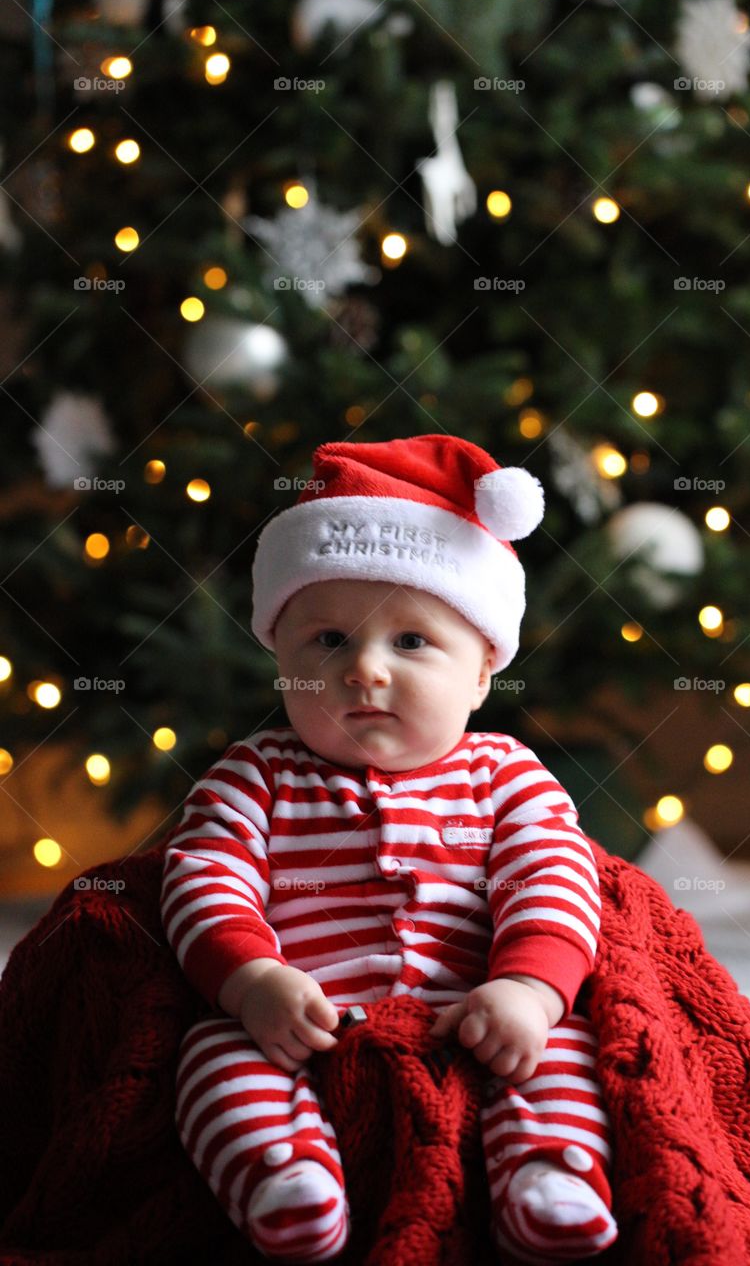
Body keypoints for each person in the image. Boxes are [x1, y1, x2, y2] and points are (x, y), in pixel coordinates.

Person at [160, 433, 619, 1264]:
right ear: (283, 663)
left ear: (481, 672)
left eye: (410, 642)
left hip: (472, 1021)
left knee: (566, 1047)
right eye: (327, 641)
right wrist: (252, 981)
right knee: (207, 1053)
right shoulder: (256, 773)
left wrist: (527, 990)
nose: (364, 670)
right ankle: (283, 1176)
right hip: (309, 1031)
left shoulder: (503, 773)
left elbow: (552, 874)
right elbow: (203, 877)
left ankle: (549, 1175)